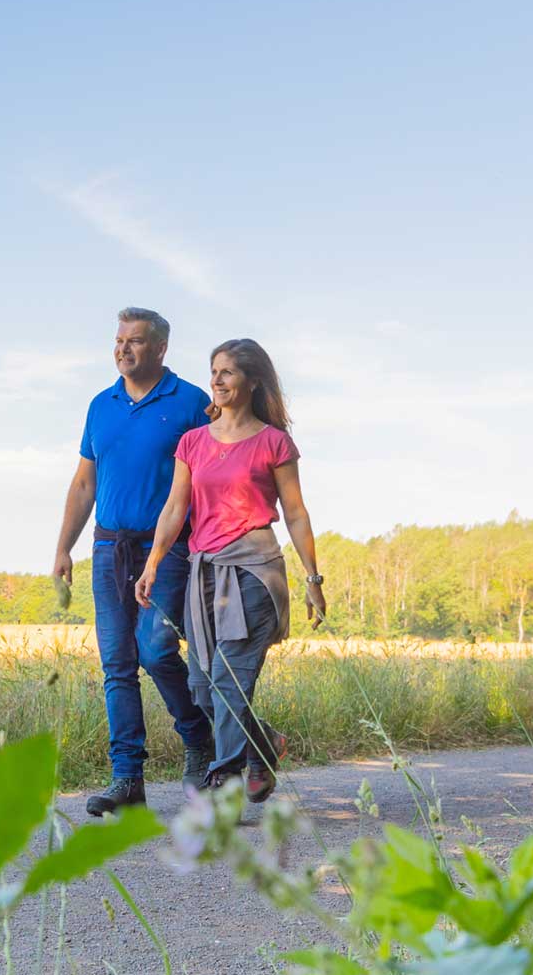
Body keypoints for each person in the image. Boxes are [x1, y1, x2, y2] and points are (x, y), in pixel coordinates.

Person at [134, 338, 324, 803]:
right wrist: (153, 562)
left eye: (227, 373)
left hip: (255, 571)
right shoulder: (193, 442)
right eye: (213, 371)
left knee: (228, 679)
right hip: (204, 574)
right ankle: (263, 742)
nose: (216, 381)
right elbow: (176, 506)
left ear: (252, 380)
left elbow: (295, 513)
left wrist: (313, 578)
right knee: (203, 687)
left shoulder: (274, 442)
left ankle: (225, 783)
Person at [55, 307, 216, 816]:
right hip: (108, 548)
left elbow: (215, 476)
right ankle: (127, 779)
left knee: (155, 649)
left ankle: (200, 738)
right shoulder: (100, 405)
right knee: (117, 665)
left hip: (166, 550)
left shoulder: (191, 402)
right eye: (119, 340)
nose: (124, 349)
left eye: (136, 341)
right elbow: (85, 483)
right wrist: (63, 546)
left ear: (161, 348)